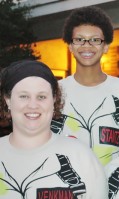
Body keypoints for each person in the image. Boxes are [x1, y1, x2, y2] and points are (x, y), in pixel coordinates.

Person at [0, 60, 108, 199]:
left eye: (41, 97)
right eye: (24, 96)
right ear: (8, 100)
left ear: (54, 100)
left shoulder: (81, 157)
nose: (33, 105)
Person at [50, 6, 119, 166]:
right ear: (70, 46)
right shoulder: (55, 90)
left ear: (105, 46)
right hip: (69, 186)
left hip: (113, 185)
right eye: (79, 39)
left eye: (95, 40)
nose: (87, 45)